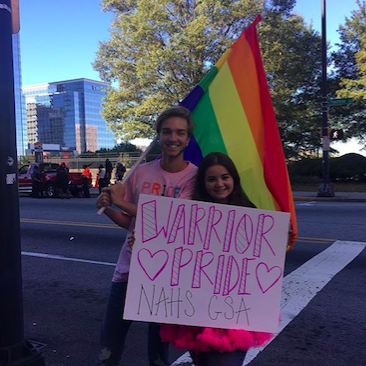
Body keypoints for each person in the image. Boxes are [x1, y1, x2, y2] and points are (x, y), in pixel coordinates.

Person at [96, 106, 198, 366]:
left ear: (187, 138)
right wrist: (107, 206)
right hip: (129, 269)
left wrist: (122, 202)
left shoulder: (195, 177)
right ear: (158, 136)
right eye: (167, 131)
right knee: (110, 341)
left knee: (158, 351)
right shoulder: (141, 173)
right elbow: (128, 221)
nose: (173, 138)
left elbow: (173, 218)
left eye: (180, 132)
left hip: (167, 276)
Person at [159, 152, 273, 366]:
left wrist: (276, 238)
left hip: (236, 315)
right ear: (203, 183)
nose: (219, 184)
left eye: (224, 177)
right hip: (196, 312)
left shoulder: (250, 214)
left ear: (234, 179)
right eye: (211, 179)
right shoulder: (189, 216)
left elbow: (261, 266)